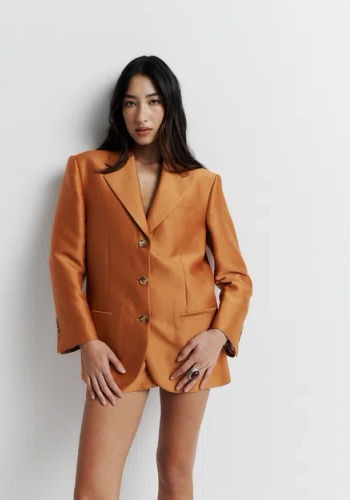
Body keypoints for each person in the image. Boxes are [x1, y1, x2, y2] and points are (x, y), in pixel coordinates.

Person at [49, 55, 253, 500]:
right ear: (118, 111)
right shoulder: (86, 170)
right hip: (115, 349)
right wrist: (87, 340)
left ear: (169, 107)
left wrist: (218, 335)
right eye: (130, 103)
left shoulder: (203, 182)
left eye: (154, 102)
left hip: (191, 346)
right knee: (93, 489)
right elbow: (65, 262)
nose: (142, 115)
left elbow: (236, 276)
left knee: (175, 473)